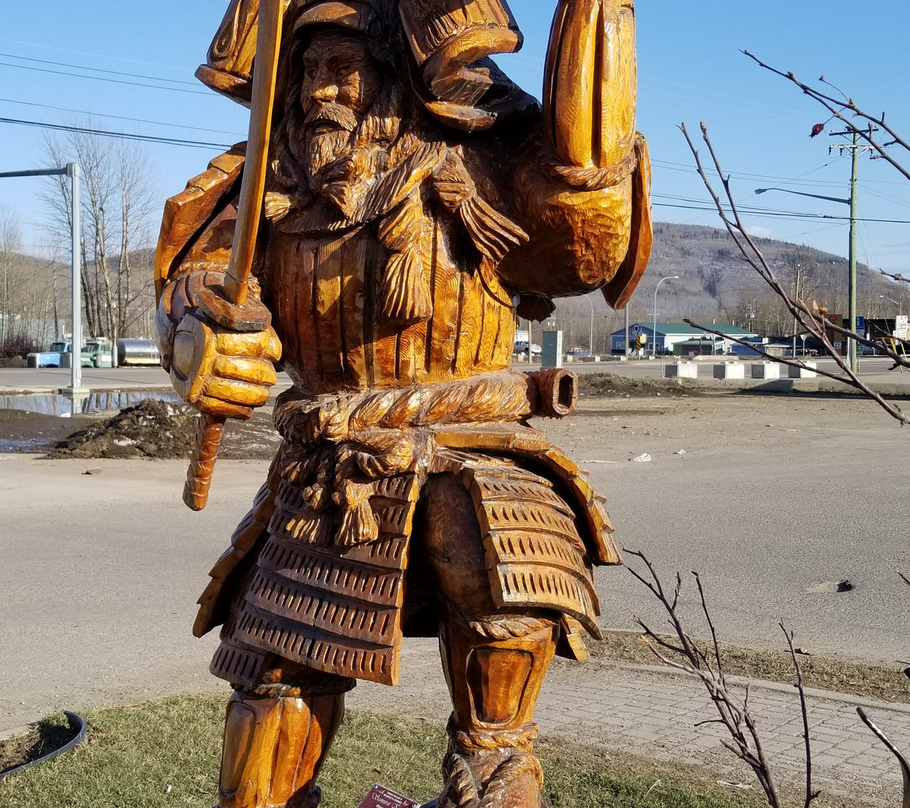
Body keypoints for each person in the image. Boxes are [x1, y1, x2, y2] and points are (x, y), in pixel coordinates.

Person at [154, 1, 651, 805]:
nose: (322, 91)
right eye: (310, 70)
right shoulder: (263, 186)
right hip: (328, 471)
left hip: (473, 449)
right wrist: (202, 334)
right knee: (271, 692)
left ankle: (493, 770)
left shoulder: (482, 165)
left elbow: (579, 243)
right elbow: (196, 285)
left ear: (396, 79)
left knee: (495, 583)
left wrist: (595, 52)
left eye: (344, 69)